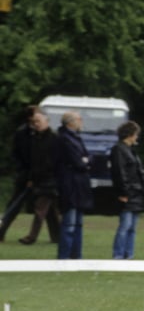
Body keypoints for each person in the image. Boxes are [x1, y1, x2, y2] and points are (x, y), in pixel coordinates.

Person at [54, 111, 93, 259]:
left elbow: (88, 158)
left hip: (78, 186)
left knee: (78, 223)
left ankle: (76, 255)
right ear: (70, 122)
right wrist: (85, 162)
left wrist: (85, 161)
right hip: (70, 186)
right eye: (79, 119)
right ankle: (64, 256)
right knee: (69, 224)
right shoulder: (64, 139)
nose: (81, 121)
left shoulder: (76, 138)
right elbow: (78, 161)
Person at [18, 110, 60, 245]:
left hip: (50, 179)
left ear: (46, 121)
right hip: (39, 179)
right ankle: (58, 237)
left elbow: (54, 160)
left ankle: (32, 237)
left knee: (40, 209)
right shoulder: (35, 138)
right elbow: (33, 160)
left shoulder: (54, 138)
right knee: (51, 212)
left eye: (38, 121)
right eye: (34, 122)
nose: (36, 124)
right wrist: (31, 178)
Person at [110, 121, 144, 259]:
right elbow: (119, 173)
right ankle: (119, 254)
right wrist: (123, 192)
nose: (136, 137)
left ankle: (129, 254)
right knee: (125, 226)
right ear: (130, 134)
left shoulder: (129, 149)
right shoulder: (119, 150)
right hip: (129, 194)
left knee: (132, 227)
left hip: (135, 194)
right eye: (135, 134)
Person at [0, 105, 36, 241]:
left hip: (36, 173)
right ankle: (2, 230)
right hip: (25, 173)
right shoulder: (22, 133)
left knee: (47, 207)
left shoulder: (38, 132)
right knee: (16, 203)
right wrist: (25, 171)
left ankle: (56, 235)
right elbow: (20, 154)